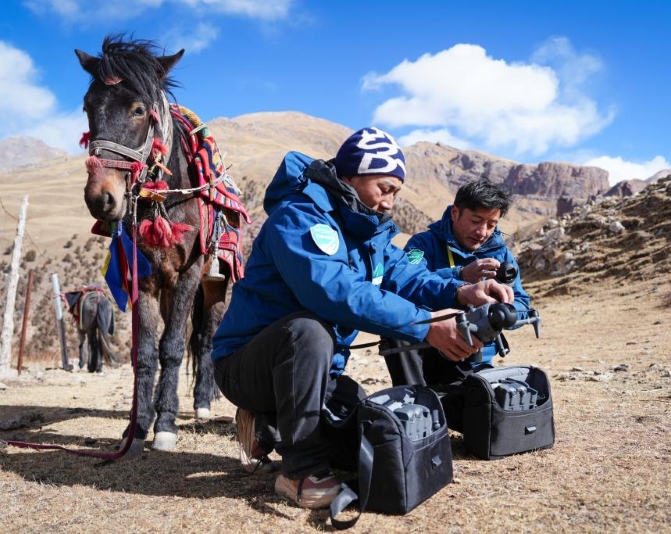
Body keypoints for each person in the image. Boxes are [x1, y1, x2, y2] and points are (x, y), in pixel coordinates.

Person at [211, 127, 513, 509]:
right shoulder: (299, 217)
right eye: (384, 189)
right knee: (309, 331)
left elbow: (407, 275)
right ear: (351, 176)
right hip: (246, 365)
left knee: (365, 434)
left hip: (315, 375)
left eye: (395, 193)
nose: (389, 202)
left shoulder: (368, 231)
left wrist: (459, 292)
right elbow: (334, 292)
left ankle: (267, 425)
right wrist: (425, 325)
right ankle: (300, 473)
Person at [383, 180, 534, 387]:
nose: (482, 232)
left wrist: (500, 311)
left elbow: (522, 304)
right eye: (476, 221)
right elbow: (404, 286)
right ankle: (415, 397)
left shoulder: (501, 255)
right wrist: (460, 275)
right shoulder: (422, 244)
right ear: (455, 213)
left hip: (475, 358)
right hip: (425, 352)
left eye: (491, 225)